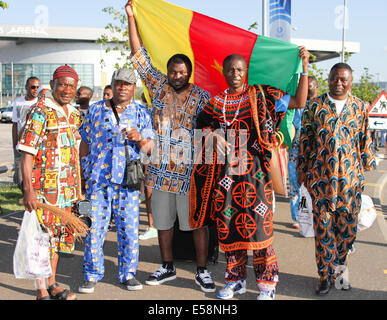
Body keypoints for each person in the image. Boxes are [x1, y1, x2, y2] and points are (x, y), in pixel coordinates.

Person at [190, 49, 310, 300]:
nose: (235, 73)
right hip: (226, 176)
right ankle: (236, 280)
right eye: (231, 69)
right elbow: (198, 125)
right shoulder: (215, 102)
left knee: (259, 229)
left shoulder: (262, 95)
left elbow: (298, 102)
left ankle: (267, 285)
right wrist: (212, 135)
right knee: (229, 226)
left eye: (240, 69)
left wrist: (305, 68)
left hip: (256, 174)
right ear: (223, 72)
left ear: (246, 72)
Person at [125, 0, 216, 293]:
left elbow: (216, 125)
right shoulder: (158, 86)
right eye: (173, 71)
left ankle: (202, 271)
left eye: (181, 72)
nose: (176, 76)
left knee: (197, 223)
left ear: (189, 73)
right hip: (161, 170)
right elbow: (138, 56)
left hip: (190, 173)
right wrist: (132, 18)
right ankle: (167, 267)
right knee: (163, 222)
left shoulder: (202, 97)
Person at [297, 63, 376, 295]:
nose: (339, 83)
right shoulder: (314, 106)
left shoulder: (360, 107)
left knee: (346, 231)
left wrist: (365, 168)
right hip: (321, 181)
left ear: (351, 81)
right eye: (334, 79)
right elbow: (305, 140)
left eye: (343, 79)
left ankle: (340, 273)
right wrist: (302, 169)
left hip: (350, 184)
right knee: (323, 230)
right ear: (329, 80)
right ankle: (324, 276)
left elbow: (365, 140)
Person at [78, 68, 154, 294]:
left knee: (129, 230)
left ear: (133, 88)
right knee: (94, 229)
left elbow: (149, 148)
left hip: (127, 183)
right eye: (119, 82)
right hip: (97, 181)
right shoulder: (95, 110)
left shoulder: (142, 113)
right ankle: (91, 275)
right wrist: (83, 172)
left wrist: (139, 137)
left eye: (128, 84)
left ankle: (128, 274)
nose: (123, 87)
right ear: (112, 84)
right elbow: (84, 142)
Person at [18, 66, 81, 300]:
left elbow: (74, 151)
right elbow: (27, 153)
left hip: (67, 190)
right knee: (41, 239)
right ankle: (41, 288)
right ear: (52, 84)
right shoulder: (40, 111)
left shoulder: (73, 113)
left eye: (71, 86)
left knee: (56, 238)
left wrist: (78, 191)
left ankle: (53, 283)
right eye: (62, 84)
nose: (67, 90)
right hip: (43, 189)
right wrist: (28, 190)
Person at [288, 76, 319, 229]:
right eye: (304, 86)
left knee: (313, 187)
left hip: (315, 155)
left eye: (310, 86)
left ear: (317, 87)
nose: (307, 89)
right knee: (295, 186)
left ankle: (313, 217)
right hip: (295, 153)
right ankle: (297, 218)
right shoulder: (296, 106)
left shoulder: (322, 107)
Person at [11, 76, 40, 190]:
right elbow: (15, 123)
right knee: (20, 173)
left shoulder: (39, 102)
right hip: (21, 142)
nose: (35, 90)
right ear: (26, 87)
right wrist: (15, 143)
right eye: (33, 87)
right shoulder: (18, 102)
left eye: (38, 87)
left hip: (34, 142)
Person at [138, 93, 158, 240]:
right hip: (148, 152)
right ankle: (152, 226)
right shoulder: (142, 110)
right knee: (149, 189)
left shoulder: (167, 107)